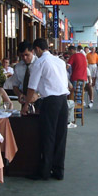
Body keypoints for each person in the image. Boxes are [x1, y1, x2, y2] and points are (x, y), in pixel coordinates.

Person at [22, 38, 69, 181]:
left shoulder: (39, 63)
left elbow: (32, 87)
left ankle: (45, 171)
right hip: (63, 101)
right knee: (61, 136)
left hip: (50, 102)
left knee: (48, 136)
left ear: (36, 49)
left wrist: (25, 105)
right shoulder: (60, 61)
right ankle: (59, 170)